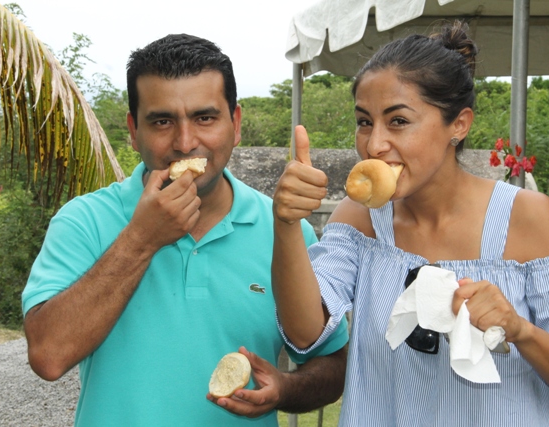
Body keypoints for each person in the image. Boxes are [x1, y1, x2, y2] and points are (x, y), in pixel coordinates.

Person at [271, 21, 549, 426]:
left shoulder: (529, 218)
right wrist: (287, 225)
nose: (375, 144)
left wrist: (521, 330)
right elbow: (305, 334)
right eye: (364, 121)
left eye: (398, 121)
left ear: (459, 124)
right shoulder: (360, 222)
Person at [21, 33, 348, 426]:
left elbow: (331, 365)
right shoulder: (84, 221)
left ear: (236, 123)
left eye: (204, 117)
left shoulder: (281, 228)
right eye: (162, 121)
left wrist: (284, 389)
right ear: (133, 130)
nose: (186, 142)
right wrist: (141, 238)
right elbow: (49, 356)